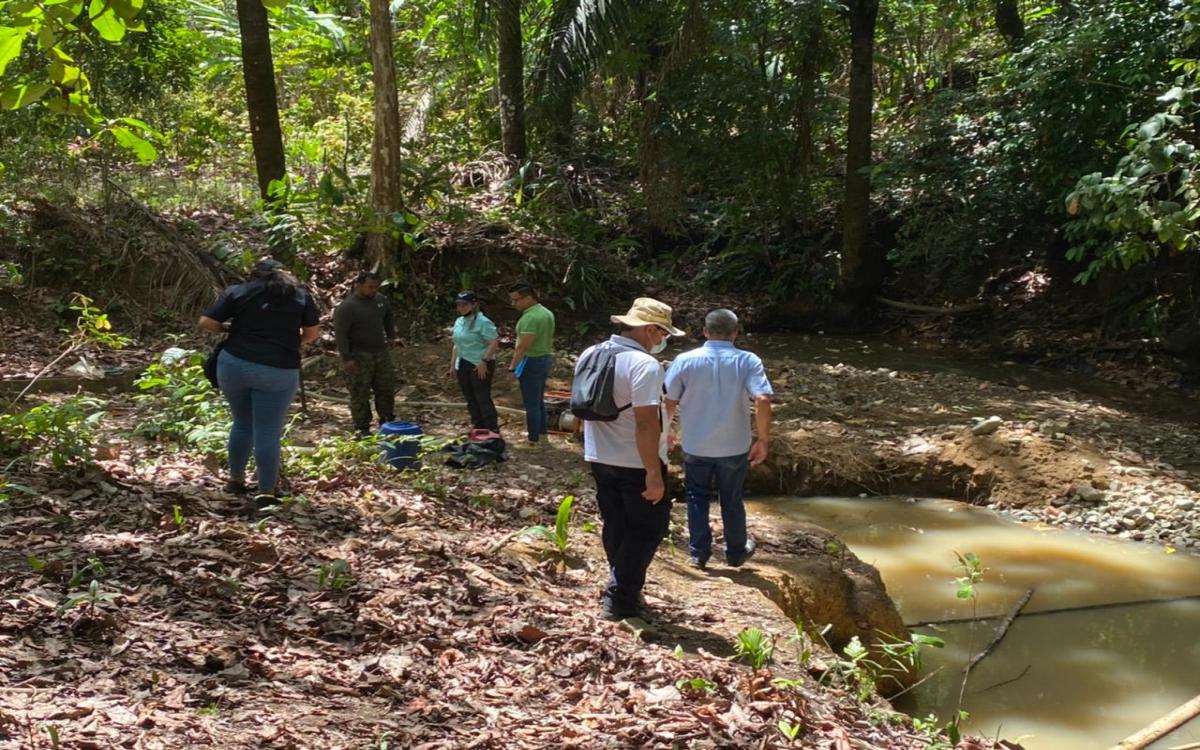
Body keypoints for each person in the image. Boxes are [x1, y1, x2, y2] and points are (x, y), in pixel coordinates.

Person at [577, 297, 685, 621]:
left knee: (617, 524)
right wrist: (654, 471)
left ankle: (624, 587)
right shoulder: (644, 365)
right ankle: (620, 598)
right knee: (648, 529)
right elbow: (645, 422)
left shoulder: (590, 353)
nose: (662, 341)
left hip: (599, 455)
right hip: (635, 461)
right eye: (662, 333)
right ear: (650, 329)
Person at [198, 258, 320, 501]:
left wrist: (230, 330)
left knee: (242, 423)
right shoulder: (300, 296)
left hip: (234, 364)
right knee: (268, 430)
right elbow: (312, 334)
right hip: (278, 369)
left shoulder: (238, 292)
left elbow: (206, 322)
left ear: (254, 276)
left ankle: (235, 480)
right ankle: (265, 490)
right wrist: (287, 338)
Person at [664, 308, 773, 570]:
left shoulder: (685, 360)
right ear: (735, 333)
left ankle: (698, 554)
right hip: (734, 445)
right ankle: (736, 551)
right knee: (731, 498)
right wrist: (763, 439)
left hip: (695, 443)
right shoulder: (748, 360)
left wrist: (664, 431)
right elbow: (763, 398)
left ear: (704, 331)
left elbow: (668, 400)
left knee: (696, 496)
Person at [334, 271, 396, 435]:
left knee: (385, 389)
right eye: (370, 287)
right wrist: (347, 358)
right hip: (359, 355)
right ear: (359, 285)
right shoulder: (347, 307)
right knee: (360, 392)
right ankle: (362, 428)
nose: (373, 290)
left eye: (375, 287)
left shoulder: (380, 300)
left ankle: (387, 423)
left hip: (381, 353)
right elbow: (341, 334)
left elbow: (389, 316)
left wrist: (391, 336)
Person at [507, 281, 555, 444]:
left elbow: (523, 346)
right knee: (538, 400)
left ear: (528, 298)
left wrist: (512, 367)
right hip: (544, 358)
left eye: (516, 300)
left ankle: (533, 440)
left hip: (531, 361)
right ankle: (541, 434)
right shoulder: (546, 312)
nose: (514, 304)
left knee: (531, 403)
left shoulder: (530, 317)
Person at [447, 290, 500, 431]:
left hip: (479, 362)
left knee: (482, 396)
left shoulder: (483, 322)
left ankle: (492, 428)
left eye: (465, 305)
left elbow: (493, 342)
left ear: (474, 304)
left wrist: (484, 361)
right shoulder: (459, 321)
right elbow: (456, 344)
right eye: (459, 305)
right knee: (470, 397)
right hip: (463, 362)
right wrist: (452, 365)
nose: (461, 308)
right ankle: (478, 426)